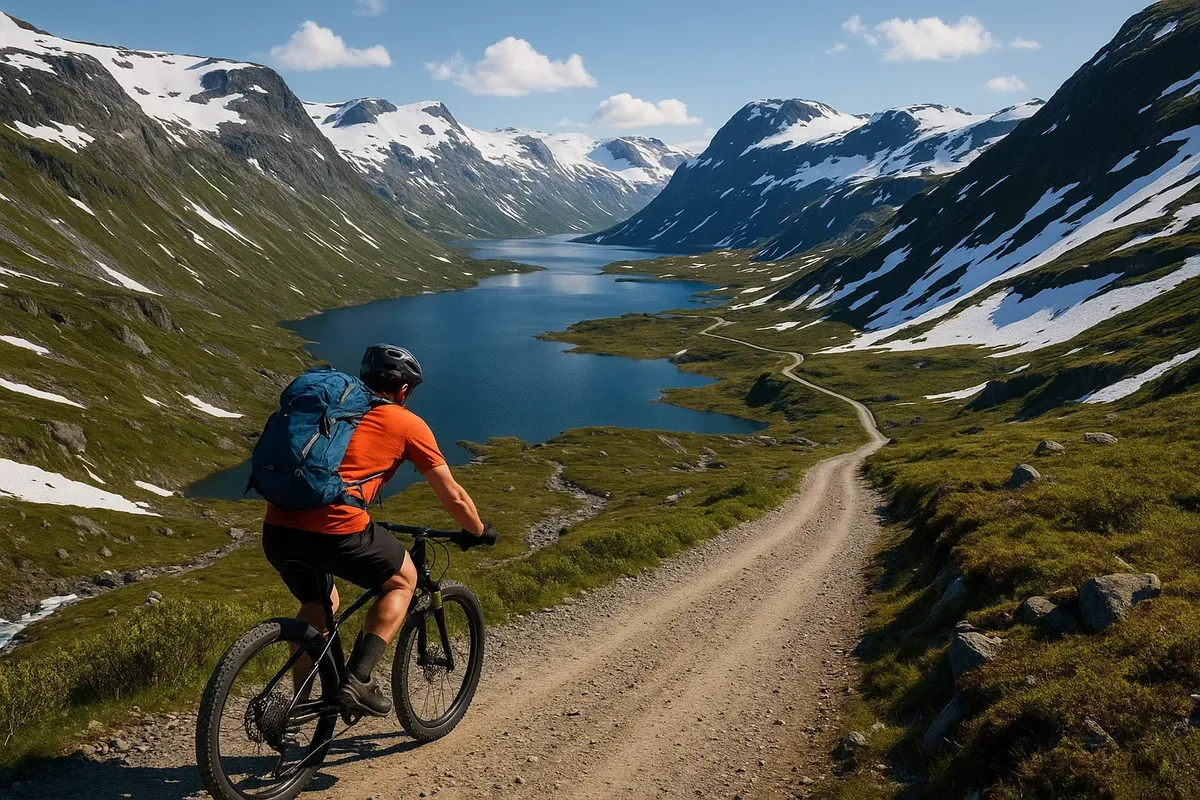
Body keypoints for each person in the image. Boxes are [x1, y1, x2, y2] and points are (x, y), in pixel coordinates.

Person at [261, 344, 497, 717]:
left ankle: (295, 708)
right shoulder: (406, 423)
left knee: (321, 603)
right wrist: (478, 529)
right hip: (337, 528)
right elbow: (452, 494)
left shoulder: (335, 410)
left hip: (277, 529)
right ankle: (359, 681)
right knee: (404, 579)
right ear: (403, 390)